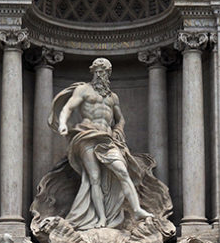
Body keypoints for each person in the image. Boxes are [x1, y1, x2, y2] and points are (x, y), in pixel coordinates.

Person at [49, 57, 153, 230]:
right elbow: (68, 107)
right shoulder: (84, 90)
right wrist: (62, 123)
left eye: (103, 71)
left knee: (122, 171)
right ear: (92, 72)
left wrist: (119, 130)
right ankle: (101, 218)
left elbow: (120, 119)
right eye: (97, 71)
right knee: (94, 178)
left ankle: (136, 209)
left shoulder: (113, 98)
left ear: (108, 74)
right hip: (87, 135)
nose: (100, 74)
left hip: (107, 138)